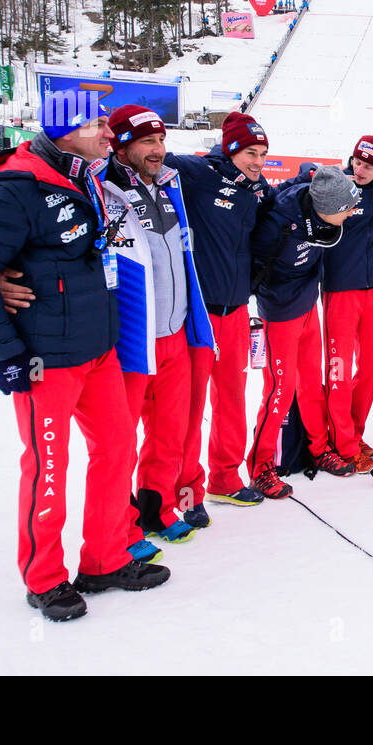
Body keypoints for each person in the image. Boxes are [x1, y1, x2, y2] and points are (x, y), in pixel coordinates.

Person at [0, 89, 168, 622]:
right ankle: (45, 578)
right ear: (66, 129)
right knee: (49, 468)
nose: (107, 132)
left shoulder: (86, 176)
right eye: (95, 123)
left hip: (99, 352)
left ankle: (105, 559)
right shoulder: (17, 188)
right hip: (45, 359)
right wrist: (5, 351)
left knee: (117, 451)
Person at [99, 105, 216, 549]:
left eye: (161, 141)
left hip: (176, 334)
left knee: (170, 434)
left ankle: (157, 510)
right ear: (122, 146)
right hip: (132, 341)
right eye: (147, 142)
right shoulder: (103, 190)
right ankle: (120, 527)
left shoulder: (170, 186)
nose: (158, 150)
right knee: (120, 442)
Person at [165, 112, 279, 510]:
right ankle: (184, 489)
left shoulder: (258, 189)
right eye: (250, 152)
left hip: (235, 311)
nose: (257, 162)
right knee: (190, 406)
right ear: (230, 149)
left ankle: (225, 478)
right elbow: (136, 157)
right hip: (198, 313)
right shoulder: (195, 172)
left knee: (231, 397)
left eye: (263, 154)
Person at [248, 165, 362, 481]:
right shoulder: (278, 224)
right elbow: (252, 266)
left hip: (308, 306)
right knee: (279, 392)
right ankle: (261, 466)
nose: (353, 213)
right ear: (328, 210)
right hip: (280, 315)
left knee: (312, 386)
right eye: (348, 209)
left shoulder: (320, 206)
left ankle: (320, 448)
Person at [322, 135, 373, 465]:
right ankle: (342, 442)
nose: (360, 169)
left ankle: (353, 432)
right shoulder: (338, 186)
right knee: (339, 371)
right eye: (357, 162)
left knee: (371, 368)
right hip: (342, 289)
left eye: (368, 166)